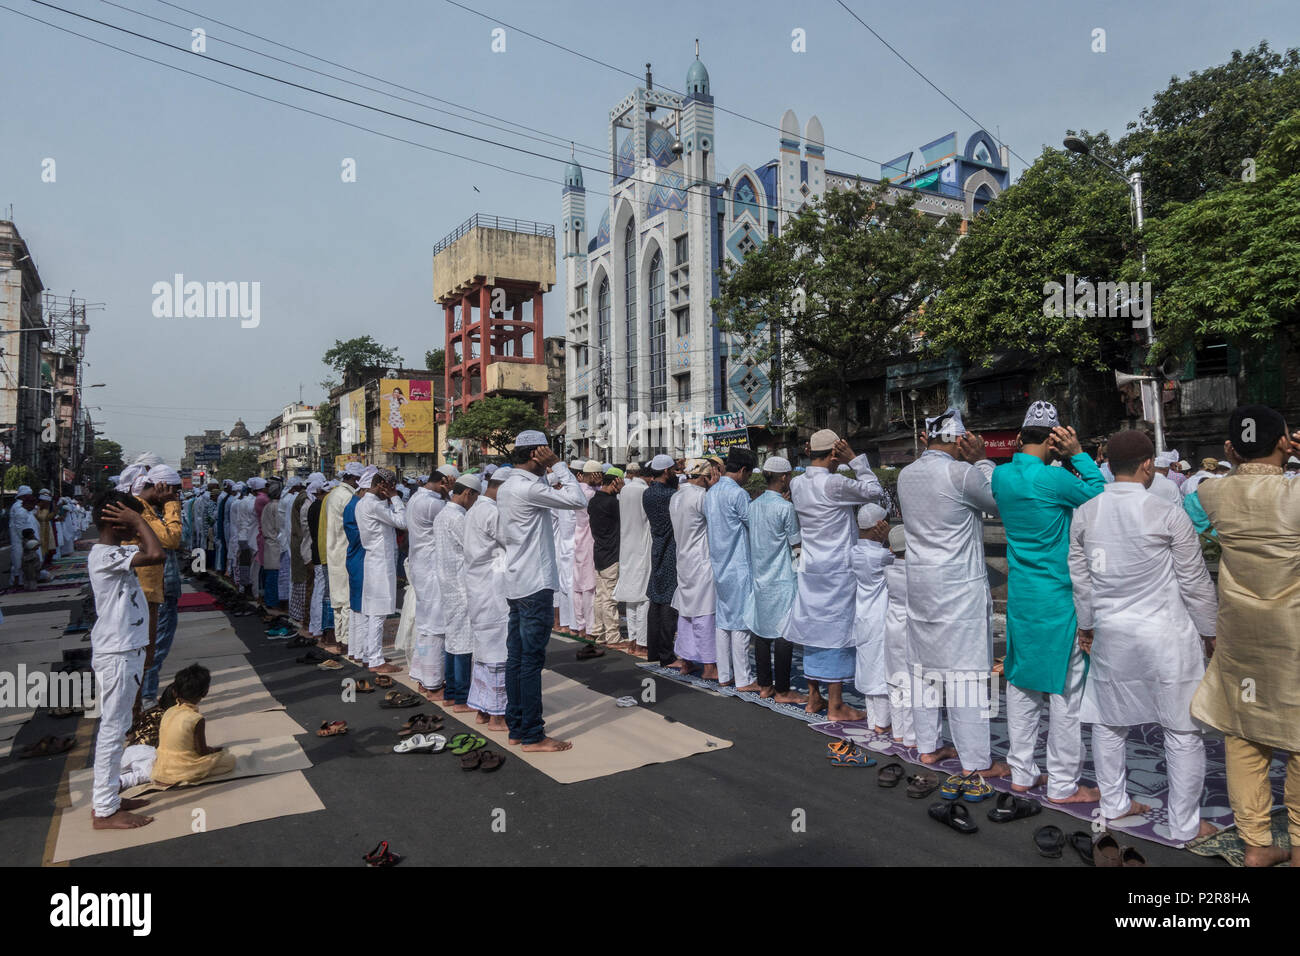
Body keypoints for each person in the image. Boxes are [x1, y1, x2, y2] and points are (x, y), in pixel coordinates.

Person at [1069, 429, 1218, 844]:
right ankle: (1186, 823)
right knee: (1181, 730)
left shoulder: (1086, 513)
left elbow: (1081, 581)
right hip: (1167, 636)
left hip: (1112, 635)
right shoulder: (1167, 513)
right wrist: (1211, 632)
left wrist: (1086, 625)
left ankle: (1115, 803)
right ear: (1148, 465)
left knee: (1108, 720)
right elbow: (1195, 583)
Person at [1191, 405, 1300, 867]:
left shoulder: (1213, 492)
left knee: (1243, 735)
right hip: (1292, 633)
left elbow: (1231, 473)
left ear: (1230, 448)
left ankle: (1256, 844)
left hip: (1240, 635)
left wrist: (1238, 460)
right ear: (1284, 442)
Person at [992, 402, 1106, 803]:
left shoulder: (1001, 476)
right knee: (1065, 692)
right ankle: (1062, 784)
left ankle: (1022, 773)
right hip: (1058, 597)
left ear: (1020, 436)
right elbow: (1101, 496)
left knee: (1022, 684)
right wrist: (1078, 455)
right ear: (1055, 440)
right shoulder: (1054, 479)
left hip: (1021, 596)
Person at [897, 409, 1004, 781]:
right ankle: (975, 760)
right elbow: (997, 501)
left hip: (921, 586)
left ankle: (928, 746)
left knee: (924, 670)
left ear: (926, 438)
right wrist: (983, 461)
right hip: (959, 591)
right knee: (967, 673)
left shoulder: (906, 475)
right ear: (959, 441)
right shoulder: (961, 473)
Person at [785, 431, 887, 719]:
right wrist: (854, 459)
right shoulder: (834, 483)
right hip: (837, 570)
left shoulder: (797, 482)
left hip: (811, 566)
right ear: (834, 454)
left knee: (812, 629)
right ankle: (836, 704)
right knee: (836, 633)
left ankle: (814, 697)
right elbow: (874, 491)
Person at [496, 430, 587, 752]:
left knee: (517, 659)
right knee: (531, 662)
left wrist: (549, 474)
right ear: (537, 454)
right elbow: (578, 500)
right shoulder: (527, 487)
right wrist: (559, 466)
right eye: (547, 451)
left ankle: (517, 727)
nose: (551, 454)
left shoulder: (509, 486)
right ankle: (532, 735)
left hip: (518, 582)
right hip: (534, 585)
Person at [87, 489, 164, 830]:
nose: (135, 528)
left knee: (119, 728)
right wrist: (138, 520)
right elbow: (156, 552)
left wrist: (146, 647)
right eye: (129, 521)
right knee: (113, 730)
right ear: (114, 521)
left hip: (126, 649)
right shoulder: (104, 555)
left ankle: (112, 793)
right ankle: (104, 809)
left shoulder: (114, 552)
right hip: (116, 653)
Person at [746, 456, 805, 703]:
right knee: (783, 633)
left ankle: (765, 685)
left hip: (760, 576)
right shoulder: (785, 508)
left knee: (761, 631)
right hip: (781, 577)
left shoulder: (753, 505)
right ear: (783, 477)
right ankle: (782, 690)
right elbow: (797, 545)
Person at [704, 448, 760, 690]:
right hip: (738, 565)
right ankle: (744, 678)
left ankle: (724, 674)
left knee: (724, 621)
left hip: (718, 562)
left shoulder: (711, 492)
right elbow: (754, 525)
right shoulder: (738, 494)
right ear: (744, 470)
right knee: (740, 623)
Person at [464, 467, 510, 730]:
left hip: (479, 586)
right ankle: (497, 715)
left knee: (483, 651)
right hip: (493, 589)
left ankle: (482, 709)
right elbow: (512, 541)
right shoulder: (492, 512)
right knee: (497, 652)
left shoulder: (475, 510)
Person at [406, 465, 458, 700]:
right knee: (437, 628)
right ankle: (435, 684)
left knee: (427, 626)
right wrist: (450, 494)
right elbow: (457, 517)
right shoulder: (434, 503)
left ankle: (424, 678)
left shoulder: (417, 497)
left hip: (422, 566)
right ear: (445, 480)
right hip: (432, 570)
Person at [139, 466, 185, 708]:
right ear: (160, 487)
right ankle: (146, 698)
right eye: (174, 492)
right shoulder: (143, 512)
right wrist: (171, 505)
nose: (176, 497)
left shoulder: (148, 510)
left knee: (154, 643)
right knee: (155, 645)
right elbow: (172, 539)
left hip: (158, 585)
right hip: (158, 586)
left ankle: (145, 695)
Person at [434, 474, 481, 712]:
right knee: (463, 643)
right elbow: (473, 548)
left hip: (447, 583)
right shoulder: (458, 517)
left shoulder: (443, 513)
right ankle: (462, 698)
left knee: (452, 641)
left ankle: (451, 692)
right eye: (475, 497)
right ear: (467, 494)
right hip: (461, 586)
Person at [669, 459, 720, 679]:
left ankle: (686, 660)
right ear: (704, 476)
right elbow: (718, 524)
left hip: (684, 559)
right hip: (701, 561)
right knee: (704, 614)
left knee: (687, 612)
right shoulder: (701, 497)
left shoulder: (676, 496)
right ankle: (709, 666)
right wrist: (716, 490)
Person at [151, 664, 237, 786]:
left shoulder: (169, 711)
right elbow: (202, 751)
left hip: (160, 767)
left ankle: (170, 776)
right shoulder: (196, 719)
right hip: (182, 768)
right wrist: (213, 751)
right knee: (230, 760)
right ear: (205, 692)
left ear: (175, 692)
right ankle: (182, 777)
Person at [356, 467, 406, 674]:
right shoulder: (373, 505)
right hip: (380, 562)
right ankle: (375, 659)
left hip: (374, 560)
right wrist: (395, 498)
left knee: (371, 612)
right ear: (381, 485)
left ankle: (370, 653)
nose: (391, 490)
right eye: (390, 486)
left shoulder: (363, 503)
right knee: (378, 612)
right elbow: (403, 522)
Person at [852, 504, 894, 732]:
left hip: (863, 615)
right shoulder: (880, 556)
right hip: (880, 616)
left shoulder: (855, 551)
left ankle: (873, 720)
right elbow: (901, 556)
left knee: (868, 665)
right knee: (882, 668)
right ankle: (883, 723)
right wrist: (888, 539)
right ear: (880, 525)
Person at [642, 454, 681, 669]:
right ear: (666, 471)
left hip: (657, 546)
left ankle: (654, 650)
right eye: (674, 470)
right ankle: (667, 654)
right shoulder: (670, 496)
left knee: (655, 599)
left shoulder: (647, 493)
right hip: (670, 548)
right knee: (667, 601)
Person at [613, 461, 651, 658]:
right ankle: (642, 643)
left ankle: (633, 640)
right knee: (643, 597)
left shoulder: (625, 491)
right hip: (642, 547)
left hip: (627, 546)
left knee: (630, 597)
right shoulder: (643, 491)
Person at [324, 462, 363, 656]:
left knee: (338, 601)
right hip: (345, 551)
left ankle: (340, 639)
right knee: (347, 600)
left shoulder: (334, 494)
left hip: (334, 551)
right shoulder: (348, 497)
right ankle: (347, 641)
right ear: (354, 479)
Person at [883, 525, 914, 747]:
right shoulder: (917, 573)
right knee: (912, 682)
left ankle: (898, 731)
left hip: (892, 627)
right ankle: (912, 735)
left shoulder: (888, 570)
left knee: (894, 678)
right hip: (912, 630)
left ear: (891, 549)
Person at [587, 466, 625, 651]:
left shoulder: (594, 501)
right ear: (615, 481)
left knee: (600, 596)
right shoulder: (612, 503)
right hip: (611, 554)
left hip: (599, 552)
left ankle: (598, 632)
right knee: (610, 597)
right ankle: (613, 635)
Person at [572, 461, 600, 640]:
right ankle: (590, 628)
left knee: (577, 586)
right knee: (589, 587)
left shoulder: (576, 490)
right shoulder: (590, 494)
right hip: (589, 540)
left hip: (578, 538)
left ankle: (580, 625)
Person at [7, 486, 38, 587]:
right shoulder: (19, 509)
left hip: (23, 539)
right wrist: (29, 539)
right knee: (19, 561)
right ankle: (16, 582)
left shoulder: (23, 509)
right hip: (19, 539)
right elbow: (21, 529)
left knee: (24, 560)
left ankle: (22, 580)